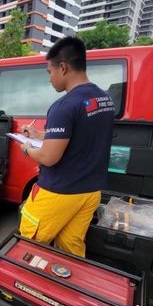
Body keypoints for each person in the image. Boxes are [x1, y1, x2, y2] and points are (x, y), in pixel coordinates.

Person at [19, 37, 115, 257]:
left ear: (63, 67)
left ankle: (25, 287)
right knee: (71, 245)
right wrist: (39, 134)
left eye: (49, 71)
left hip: (60, 191)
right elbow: (80, 135)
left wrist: (26, 147)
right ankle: (68, 287)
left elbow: (49, 157)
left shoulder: (64, 105)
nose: (50, 79)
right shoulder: (104, 99)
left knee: (29, 241)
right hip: (90, 192)